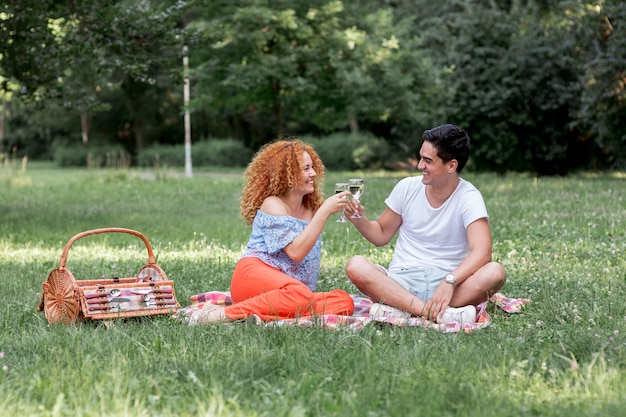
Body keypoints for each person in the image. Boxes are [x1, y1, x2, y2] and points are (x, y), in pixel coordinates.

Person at [343, 124, 506, 324]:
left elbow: (482, 253)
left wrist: (450, 281)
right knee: (356, 265)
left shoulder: (469, 197)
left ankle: (401, 308)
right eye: (421, 157)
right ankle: (435, 313)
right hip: (401, 281)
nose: (420, 165)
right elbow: (381, 234)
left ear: (451, 166)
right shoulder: (407, 187)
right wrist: (358, 219)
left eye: (428, 161)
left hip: (449, 286)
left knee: (495, 272)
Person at [189, 139, 355, 324]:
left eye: (313, 167)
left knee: (344, 301)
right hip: (254, 277)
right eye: (306, 168)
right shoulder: (273, 204)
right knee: (300, 296)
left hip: (292, 292)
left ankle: (262, 314)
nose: (314, 173)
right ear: (287, 174)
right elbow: (296, 252)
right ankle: (220, 316)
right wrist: (324, 212)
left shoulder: (311, 209)